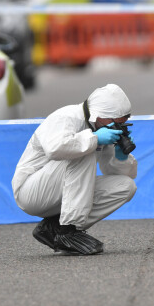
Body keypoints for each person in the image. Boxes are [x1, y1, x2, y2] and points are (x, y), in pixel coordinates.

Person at [12, 83, 137, 256]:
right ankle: (67, 232)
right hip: (31, 192)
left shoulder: (99, 127)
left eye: (123, 123)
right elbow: (55, 149)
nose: (118, 127)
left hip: (58, 195)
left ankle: (54, 227)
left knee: (126, 186)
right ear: (99, 115)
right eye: (115, 123)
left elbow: (122, 174)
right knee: (83, 152)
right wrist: (93, 139)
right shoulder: (66, 117)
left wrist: (120, 156)